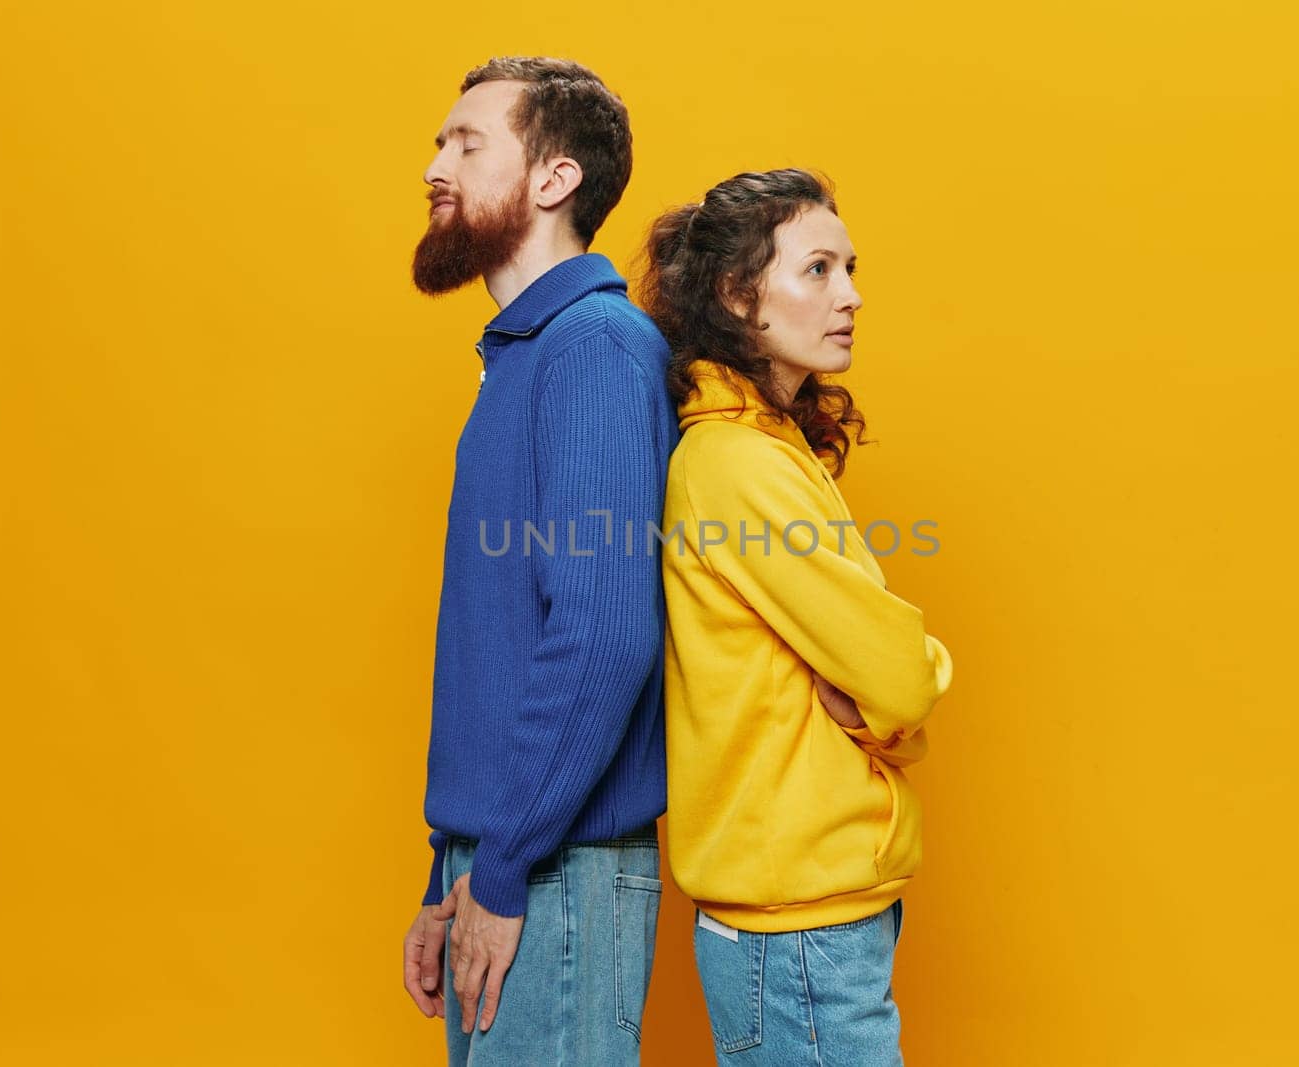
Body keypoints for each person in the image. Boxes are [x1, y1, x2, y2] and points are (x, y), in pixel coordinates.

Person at [635, 168, 954, 1065]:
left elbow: (878, 672)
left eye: (850, 268)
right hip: (799, 929)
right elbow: (895, 670)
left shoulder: (771, 449)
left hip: (816, 916)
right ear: (739, 294)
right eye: (818, 269)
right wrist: (907, 686)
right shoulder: (738, 464)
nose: (850, 295)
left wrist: (887, 689)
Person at [399, 56, 675, 1066]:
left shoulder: (591, 346)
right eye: (439, 142)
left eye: (467, 143)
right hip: (510, 857)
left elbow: (604, 633)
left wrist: (502, 866)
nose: (436, 164)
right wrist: (452, 870)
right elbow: (501, 639)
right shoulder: (524, 355)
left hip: (561, 872)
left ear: (553, 179)